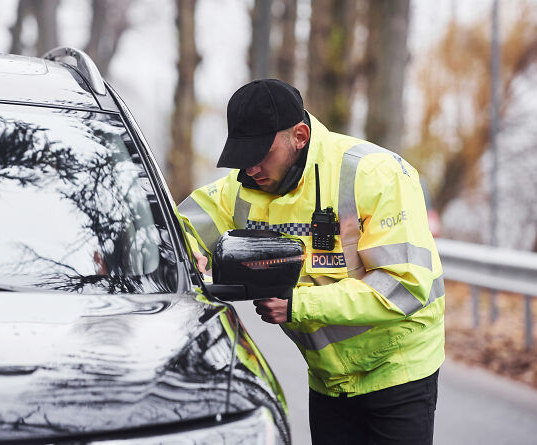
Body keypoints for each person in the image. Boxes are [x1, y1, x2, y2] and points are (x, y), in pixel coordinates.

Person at [177, 79, 444, 445]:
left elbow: (403, 285)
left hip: (397, 370)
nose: (251, 168)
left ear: (299, 136)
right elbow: (176, 225)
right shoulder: (242, 188)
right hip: (328, 378)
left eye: (261, 153)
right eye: (243, 155)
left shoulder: (376, 175)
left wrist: (297, 305)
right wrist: (182, 247)